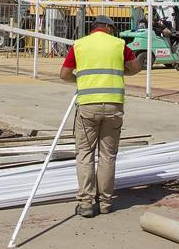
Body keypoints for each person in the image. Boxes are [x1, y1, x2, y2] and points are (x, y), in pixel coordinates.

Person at [59, 14, 143, 218]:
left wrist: (81, 80)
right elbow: (135, 68)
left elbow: (64, 74)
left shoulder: (80, 45)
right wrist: (121, 72)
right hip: (113, 106)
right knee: (107, 155)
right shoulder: (119, 45)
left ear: (94, 27)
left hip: (88, 106)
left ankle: (86, 203)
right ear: (108, 27)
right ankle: (105, 202)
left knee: (85, 154)